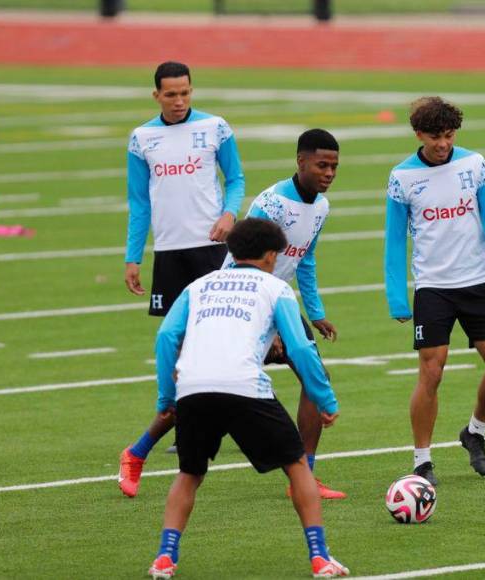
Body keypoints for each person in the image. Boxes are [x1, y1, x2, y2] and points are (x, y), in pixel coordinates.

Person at [146, 218, 348, 579]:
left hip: (193, 388)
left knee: (189, 474)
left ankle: (164, 557)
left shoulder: (199, 286)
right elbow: (301, 348)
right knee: (297, 466)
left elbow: (166, 337)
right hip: (244, 385)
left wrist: (167, 397)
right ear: (270, 256)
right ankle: (320, 557)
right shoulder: (276, 288)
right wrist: (325, 399)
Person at [119, 61, 245, 498]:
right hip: (169, 253)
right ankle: (186, 422)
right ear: (156, 95)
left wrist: (230, 214)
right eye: (170, 94)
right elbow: (139, 203)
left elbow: (236, 178)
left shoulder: (215, 128)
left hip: (212, 249)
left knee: (217, 336)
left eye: (185, 93)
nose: (179, 101)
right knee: (177, 344)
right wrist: (133, 256)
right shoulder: (142, 138)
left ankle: (208, 421)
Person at [383, 97, 485, 486]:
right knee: (432, 370)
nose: (443, 144)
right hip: (433, 288)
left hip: (477, 282)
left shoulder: (474, 164)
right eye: (434, 137)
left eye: (449, 135)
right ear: (418, 135)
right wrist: (397, 297)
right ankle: (422, 461)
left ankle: (475, 431)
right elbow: (395, 241)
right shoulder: (402, 177)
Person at [225, 129, 345, 499]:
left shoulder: (321, 207)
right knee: (213, 387)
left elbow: (305, 260)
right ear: (301, 161)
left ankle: (303, 477)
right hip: (244, 306)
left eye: (334, 167)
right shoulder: (273, 203)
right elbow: (239, 260)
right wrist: (271, 328)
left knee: (315, 378)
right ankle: (138, 451)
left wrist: (317, 313)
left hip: (280, 305)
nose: (329, 173)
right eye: (322, 165)